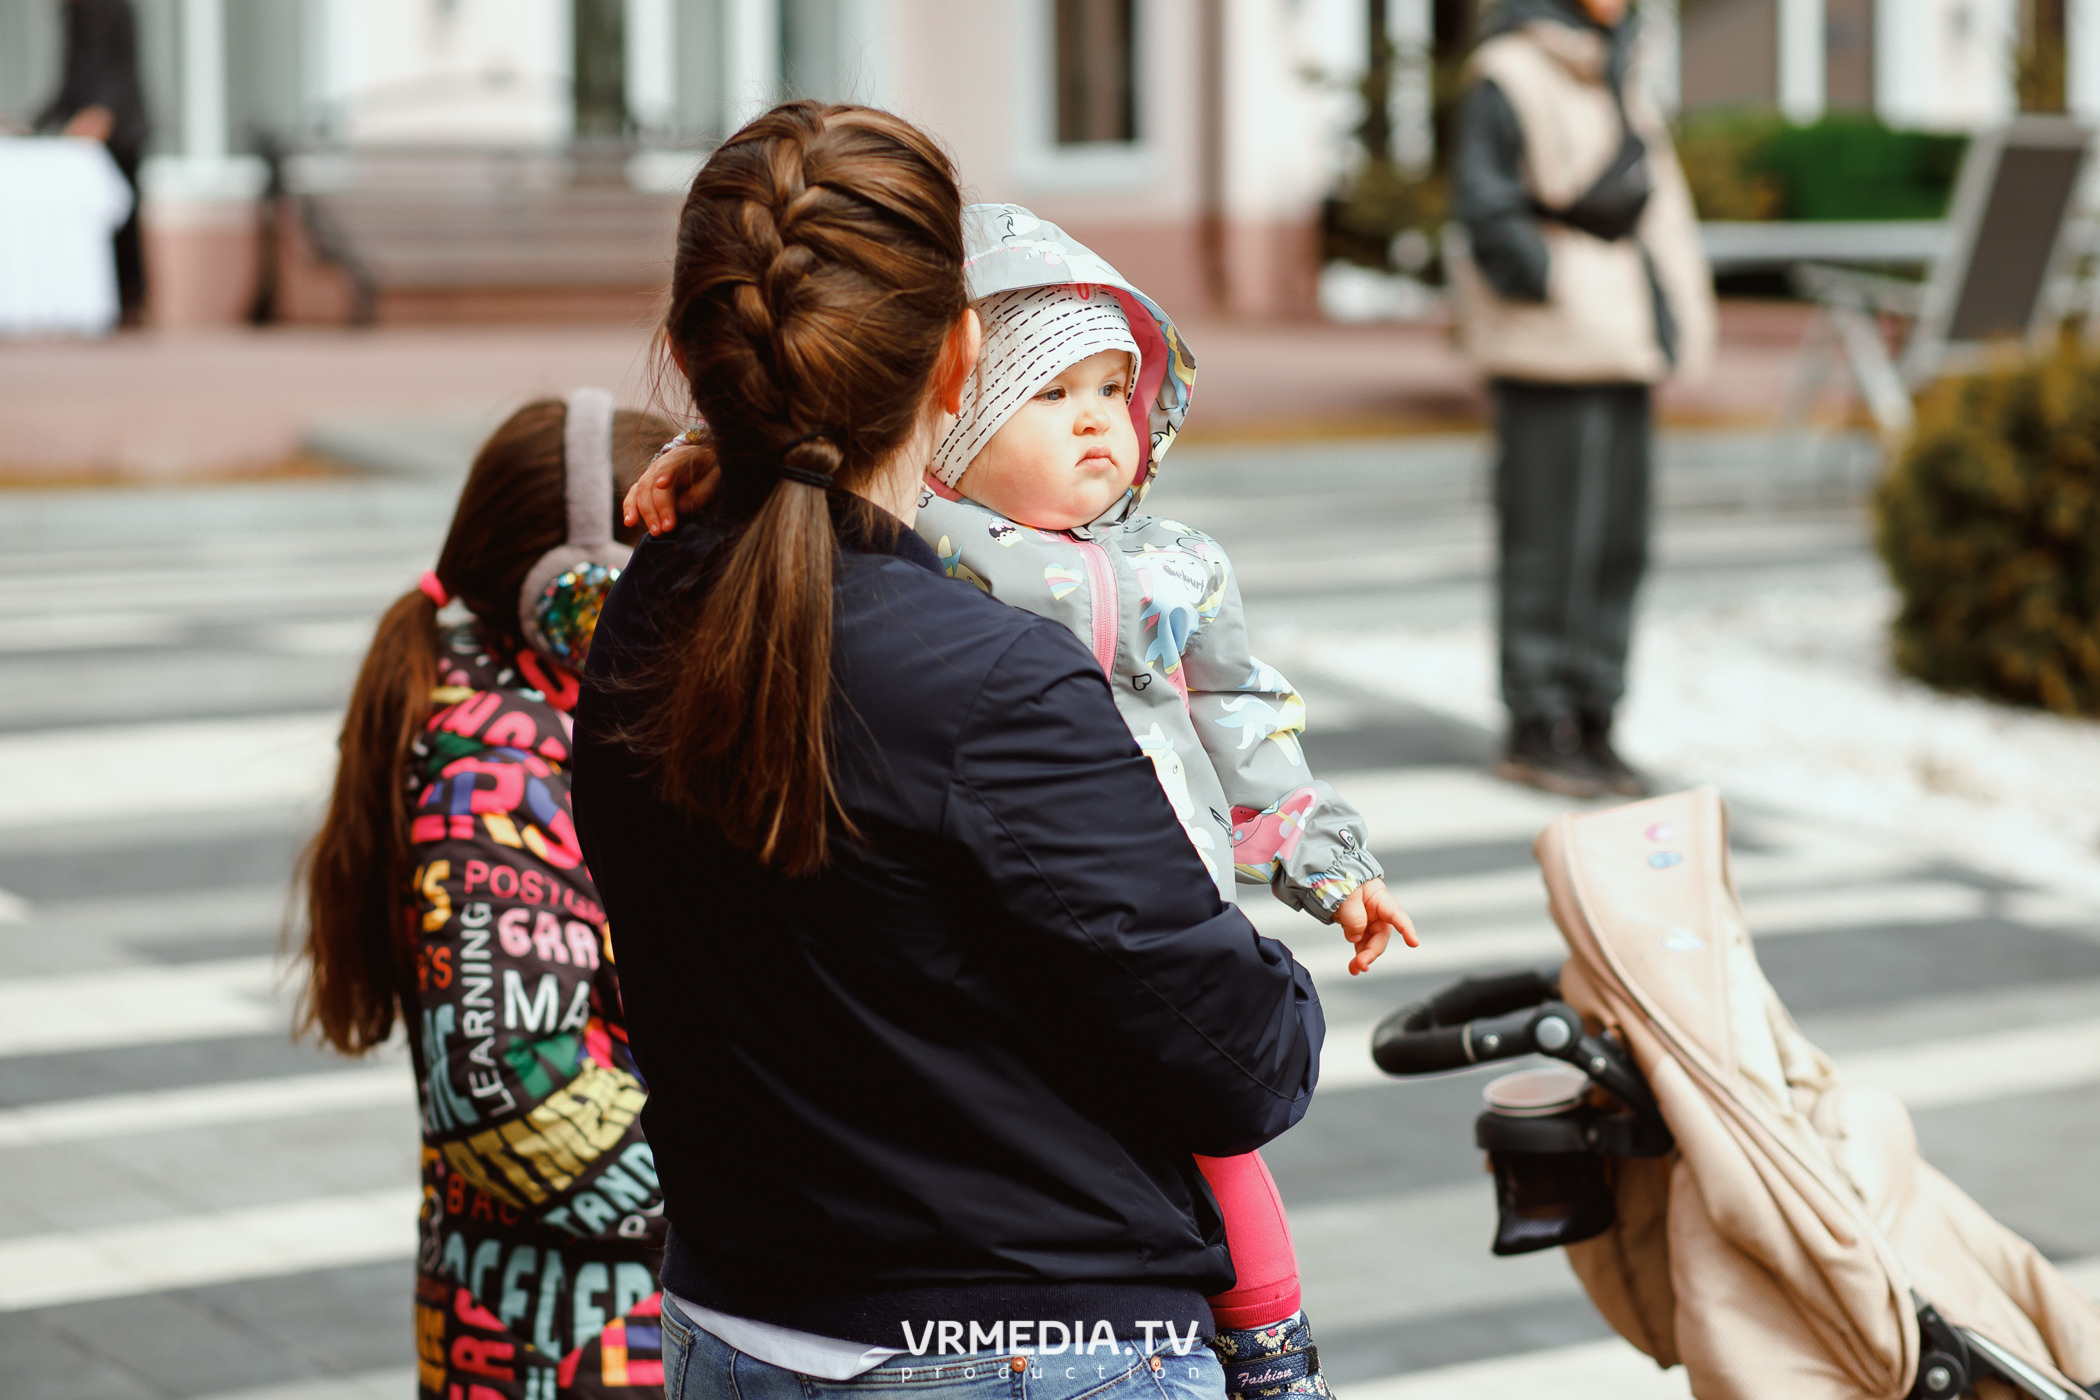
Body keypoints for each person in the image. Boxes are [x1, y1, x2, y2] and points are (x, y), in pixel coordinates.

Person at [570, 100, 1324, 1400]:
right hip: (1023, 1342)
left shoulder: (648, 610)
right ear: (960, 357)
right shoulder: (993, 680)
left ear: (699, 355)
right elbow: (1243, 1060)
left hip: (736, 1323)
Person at [296, 393, 680, 1399]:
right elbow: (509, 1082)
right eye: (676, 572)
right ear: (578, 596)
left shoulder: (551, 719)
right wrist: (753, 1203)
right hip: (581, 1344)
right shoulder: (496, 770)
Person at [1449, 0, 1715, 798]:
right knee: (1548, 542)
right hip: (1553, 344)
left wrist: (1673, 319)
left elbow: (1657, 206)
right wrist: (1550, 281)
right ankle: (1537, 722)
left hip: (1622, 337)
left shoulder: (1617, 70)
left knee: (1616, 542)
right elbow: (1486, 208)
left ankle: (1595, 718)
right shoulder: (1509, 74)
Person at [36, 0, 149, 325]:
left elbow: (119, 69)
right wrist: (39, 121)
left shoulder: (114, 7)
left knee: (122, 217)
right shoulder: (72, 11)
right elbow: (73, 77)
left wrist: (103, 111)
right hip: (84, 131)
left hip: (122, 127)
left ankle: (132, 299)